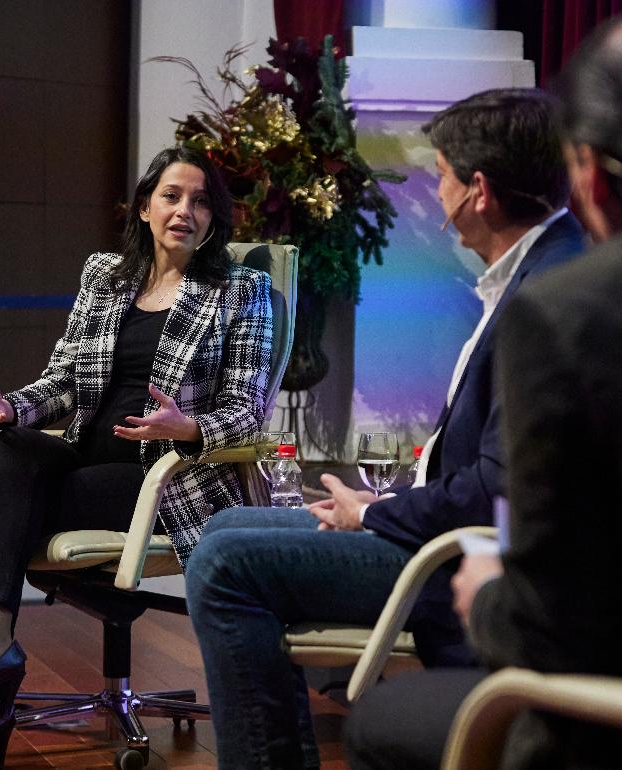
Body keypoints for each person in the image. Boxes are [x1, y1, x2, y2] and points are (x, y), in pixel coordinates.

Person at [344, 7, 622, 769]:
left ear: (590, 174)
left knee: (381, 719)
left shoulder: (566, 311)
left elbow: (548, 633)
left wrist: (483, 589)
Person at [184, 88, 586, 769]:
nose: (438, 192)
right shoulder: (536, 273)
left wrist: (383, 512)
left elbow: (500, 484)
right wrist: (381, 505)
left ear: (478, 190)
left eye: (442, 176)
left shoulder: (548, 293)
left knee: (225, 565)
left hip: (459, 553)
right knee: (223, 531)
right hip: (436, 524)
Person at [0, 146, 274, 770]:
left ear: (216, 219)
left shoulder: (241, 291)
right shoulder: (105, 275)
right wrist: (11, 408)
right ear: (143, 206)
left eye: (201, 201)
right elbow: (64, 381)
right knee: (13, 451)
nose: (185, 210)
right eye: (171, 196)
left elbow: (248, 411)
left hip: (166, 479)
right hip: (84, 457)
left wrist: (186, 425)